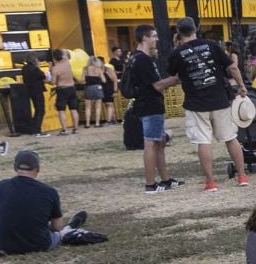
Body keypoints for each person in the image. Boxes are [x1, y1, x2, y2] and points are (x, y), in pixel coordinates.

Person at [154, 17, 247, 191]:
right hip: (219, 98)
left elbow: (174, 75)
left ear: (179, 33)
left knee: (203, 141)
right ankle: (242, 176)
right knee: (230, 137)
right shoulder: (211, 45)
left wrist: (177, 46)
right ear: (196, 29)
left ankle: (210, 182)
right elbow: (232, 68)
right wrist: (241, 86)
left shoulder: (177, 53)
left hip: (196, 103)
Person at [0, 148, 95, 254]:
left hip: (4, 247)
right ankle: (69, 229)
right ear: (38, 168)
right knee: (59, 233)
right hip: (41, 245)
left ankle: (3, 237)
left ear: (15, 167)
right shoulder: (49, 192)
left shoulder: (1, 186)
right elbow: (57, 227)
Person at [122, 25, 177, 193]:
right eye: (153, 36)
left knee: (159, 143)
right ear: (145, 37)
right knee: (151, 144)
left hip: (145, 104)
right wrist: (176, 78)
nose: (156, 39)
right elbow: (157, 85)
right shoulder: (143, 60)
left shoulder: (135, 57)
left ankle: (165, 180)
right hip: (150, 105)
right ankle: (150, 184)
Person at [47, 50, 80, 133]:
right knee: (73, 109)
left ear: (54, 58)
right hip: (71, 87)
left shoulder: (55, 69)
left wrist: (50, 70)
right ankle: (76, 128)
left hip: (62, 89)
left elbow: (53, 82)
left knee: (61, 110)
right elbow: (66, 53)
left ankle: (64, 129)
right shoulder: (66, 62)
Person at [81, 50, 112, 129]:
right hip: (98, 88)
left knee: (88, 107)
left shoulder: (85, 69)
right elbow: (104, 80)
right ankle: (97, 123)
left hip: (88, 88)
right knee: (98, 107)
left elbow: (82, 80)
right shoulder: (98, 69)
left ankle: (87, 124)